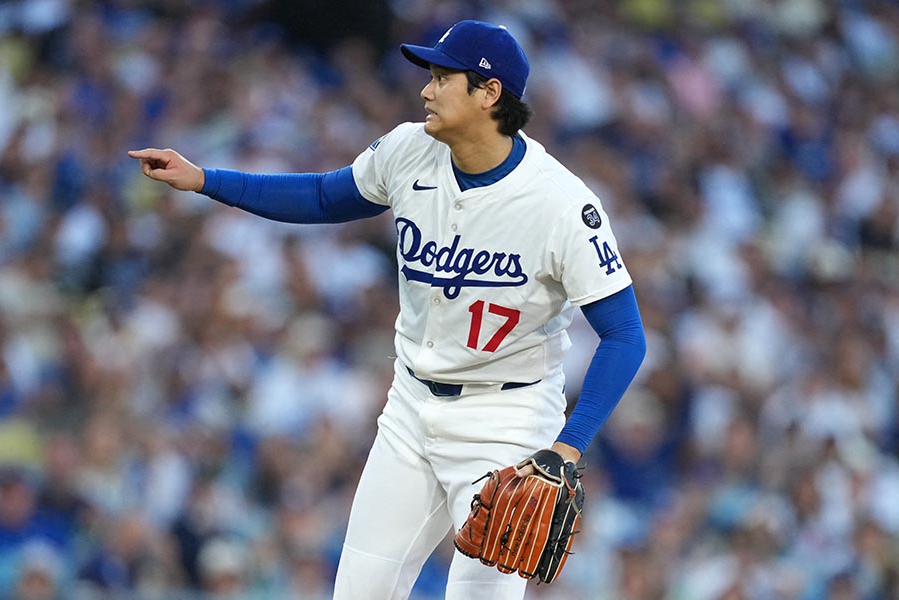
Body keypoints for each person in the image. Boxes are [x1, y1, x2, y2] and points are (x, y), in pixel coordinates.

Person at [129, 19, 646, 600]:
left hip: (507, 422)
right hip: (410, 408)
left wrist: (567, 446)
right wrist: (206, 179)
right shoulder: (409, 149)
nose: (426, 89)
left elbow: (625, 334)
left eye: (442, 77)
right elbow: (327, 196)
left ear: (489, 93)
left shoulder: (560, 203)